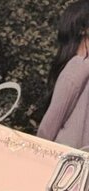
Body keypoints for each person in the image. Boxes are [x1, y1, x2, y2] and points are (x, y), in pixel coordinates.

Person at [37, 0, 89, 148]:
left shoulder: (77, 67)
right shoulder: (78, 67)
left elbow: (47, 129)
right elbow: (48, 129)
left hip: (70, 158)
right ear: (83, 29)